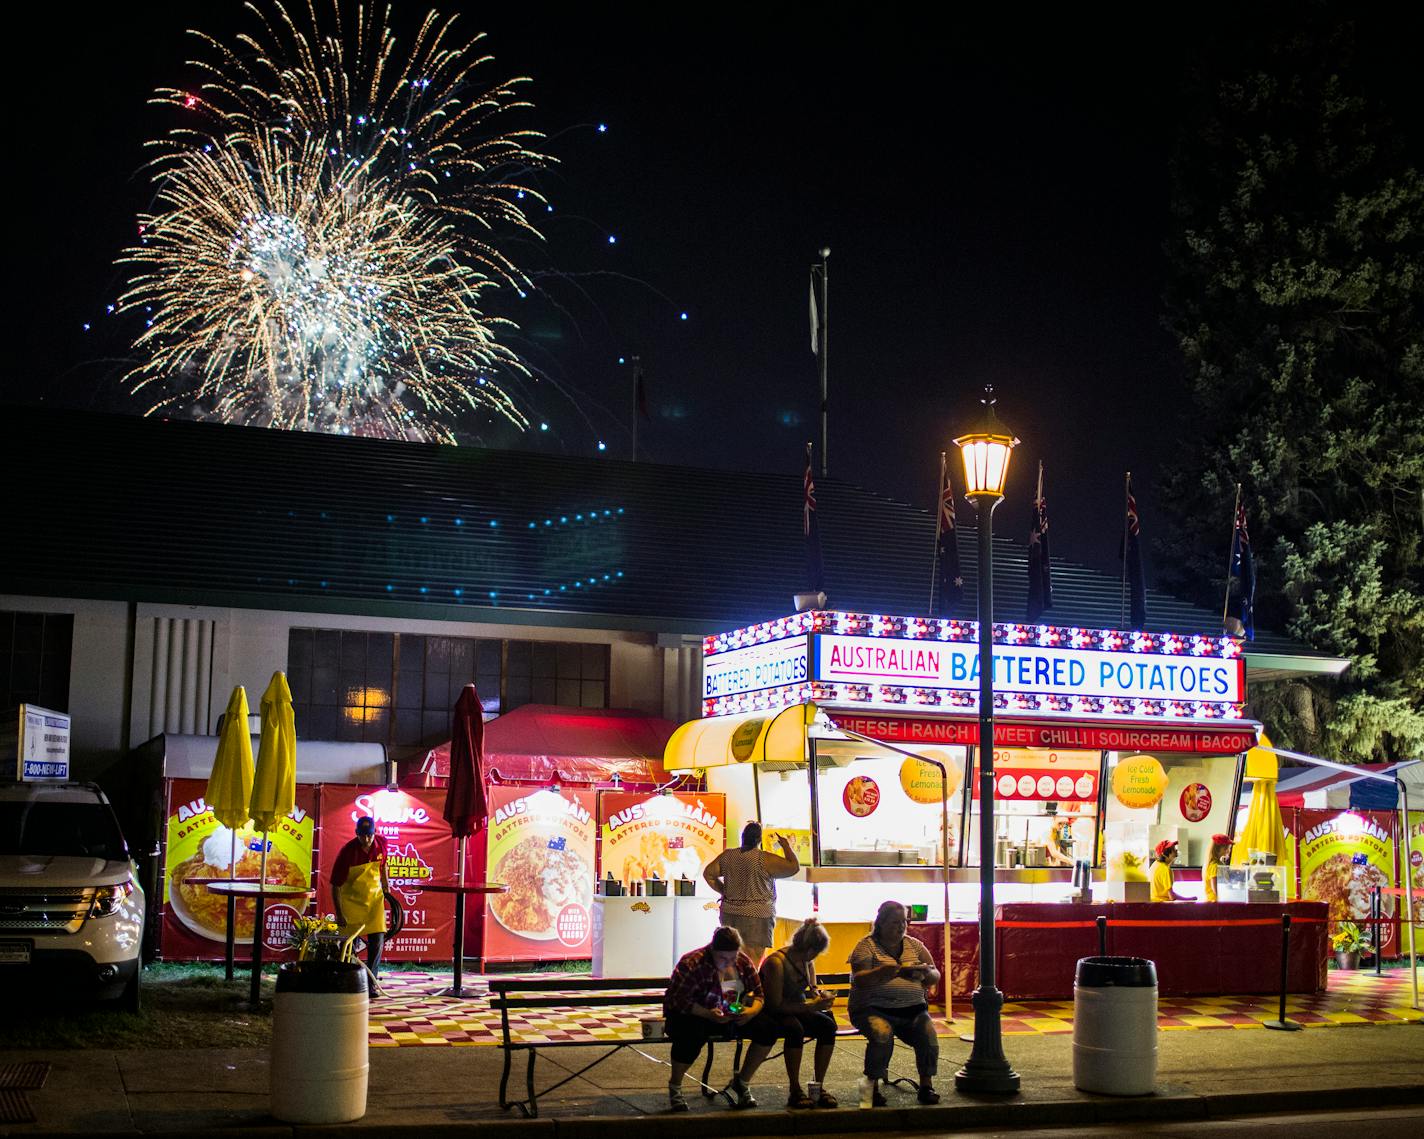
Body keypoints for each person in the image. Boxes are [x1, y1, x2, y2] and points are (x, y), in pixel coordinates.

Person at [847, 900, 941, 1106]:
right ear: (880, 923)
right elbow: (860, 978)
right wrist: (886, 972)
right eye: (894, 922)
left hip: (913, 1009)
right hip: (872, 1008)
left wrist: (925, 974)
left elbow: (935, 973)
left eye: (903, 922)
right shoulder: (866, 946)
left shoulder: (914, 945)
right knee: (882, 1034)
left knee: (928, 1035)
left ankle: (926, 1085)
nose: (900, 927)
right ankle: (871, 1086)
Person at [739, 918, 840, 1109]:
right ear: (809, 949)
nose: (815, 957)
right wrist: (812, 1007)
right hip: (771, 1011)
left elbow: (812, 988)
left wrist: (821, 996)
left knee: (828, 1026)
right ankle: (795, 1088)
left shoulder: (807, 961)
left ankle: (818, 1086)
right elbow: (775, 1005)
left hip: (796, 1006)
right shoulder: (776, 963)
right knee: (794, 1029)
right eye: (816, 953)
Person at [663, 925, 765, 1113]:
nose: (728, 962)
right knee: (692, 1034)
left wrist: (750, 1012)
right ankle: (675, 1086)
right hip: (694, 1015)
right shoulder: (693, 963)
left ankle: (742, 1082)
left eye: (732, 957)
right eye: (723, 958)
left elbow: (759, 994)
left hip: (730, 1015)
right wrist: (708, 1014)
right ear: (712, 950)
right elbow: (677, 1001)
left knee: (768, 1028)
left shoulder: (742, 962)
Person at [703, 821, 800, 965]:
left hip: (729, 913)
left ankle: (730, 986)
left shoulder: (728, 856)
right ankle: (750, 986)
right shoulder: (764, 859)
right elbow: (793, 867)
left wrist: (724, 891)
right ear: (759, 839)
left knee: (728, 959)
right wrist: (786, 845)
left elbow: (708, 874)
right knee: (752, 962)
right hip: (757, 916)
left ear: (743, 837)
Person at [331, 815, 391, 997]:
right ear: (356, 833)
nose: (366, 840)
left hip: (374, 902)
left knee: (377, 941)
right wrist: (339, 914)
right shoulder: (347, 852)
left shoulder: (382, 844)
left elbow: (383, 866)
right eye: (363, 835)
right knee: (348, 946)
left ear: (375, 833)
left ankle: (371, 983)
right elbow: (335, 885)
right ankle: (347, 981)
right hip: (352, 904)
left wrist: (387, 887)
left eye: (369, 835)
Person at [1202, 833, 1233, 903]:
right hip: (1214, 902)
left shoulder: (1218, 863)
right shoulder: (1215, 866)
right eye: (1227, 847)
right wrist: (1219, 900)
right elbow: (1215, 888)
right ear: (1219, 848)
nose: (1229, 849)